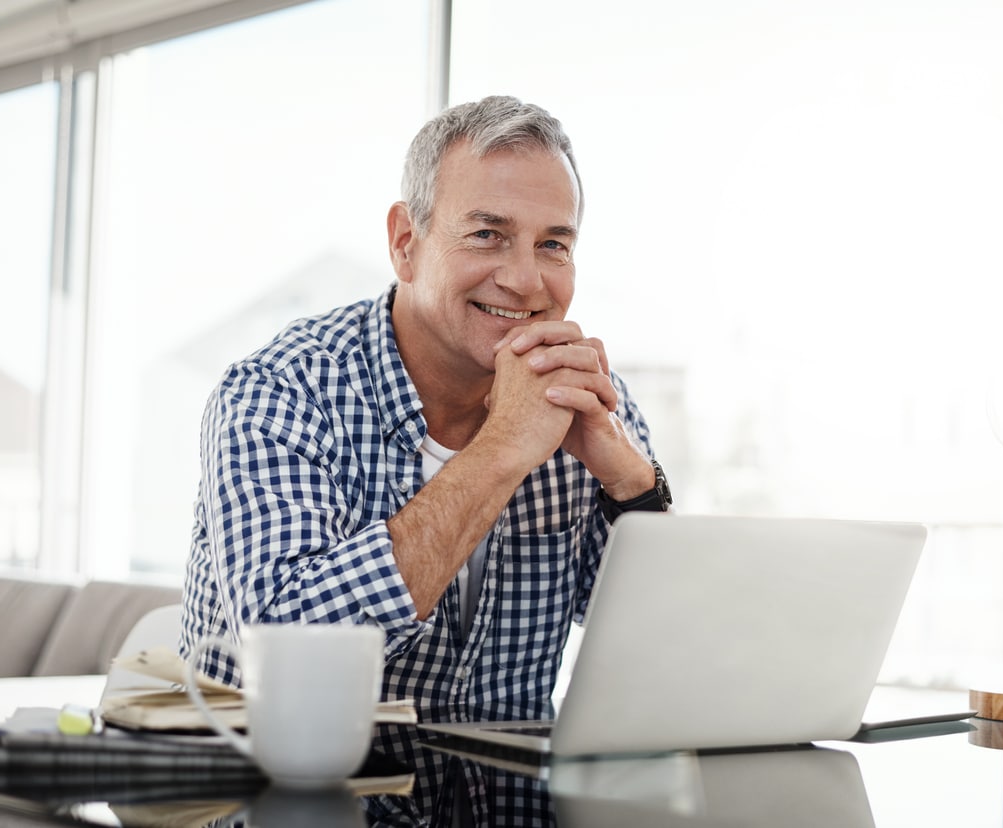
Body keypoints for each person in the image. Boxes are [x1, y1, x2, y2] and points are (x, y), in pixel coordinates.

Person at [180, 95, 670, 821]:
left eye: (553, 244)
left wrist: (626, 478)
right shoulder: (281, 389)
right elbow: (284, 648)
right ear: (405, 241)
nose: (526, 280)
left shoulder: (584, 394)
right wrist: (500, 451)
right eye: (487, 235)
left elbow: (663, 650)